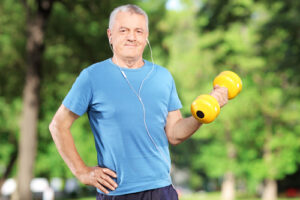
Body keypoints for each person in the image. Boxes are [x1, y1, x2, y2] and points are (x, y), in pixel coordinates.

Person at [49, 4, 228, 200]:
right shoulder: (92, 77)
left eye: (138, 31)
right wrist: (82, 171)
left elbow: (175, 134)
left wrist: (203, 112)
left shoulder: (163, 77)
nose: (132, 37)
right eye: (123, 30)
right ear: (110, 35)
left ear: (146, 36)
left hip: (161, 190)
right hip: (116, 192)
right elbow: (58, 125)